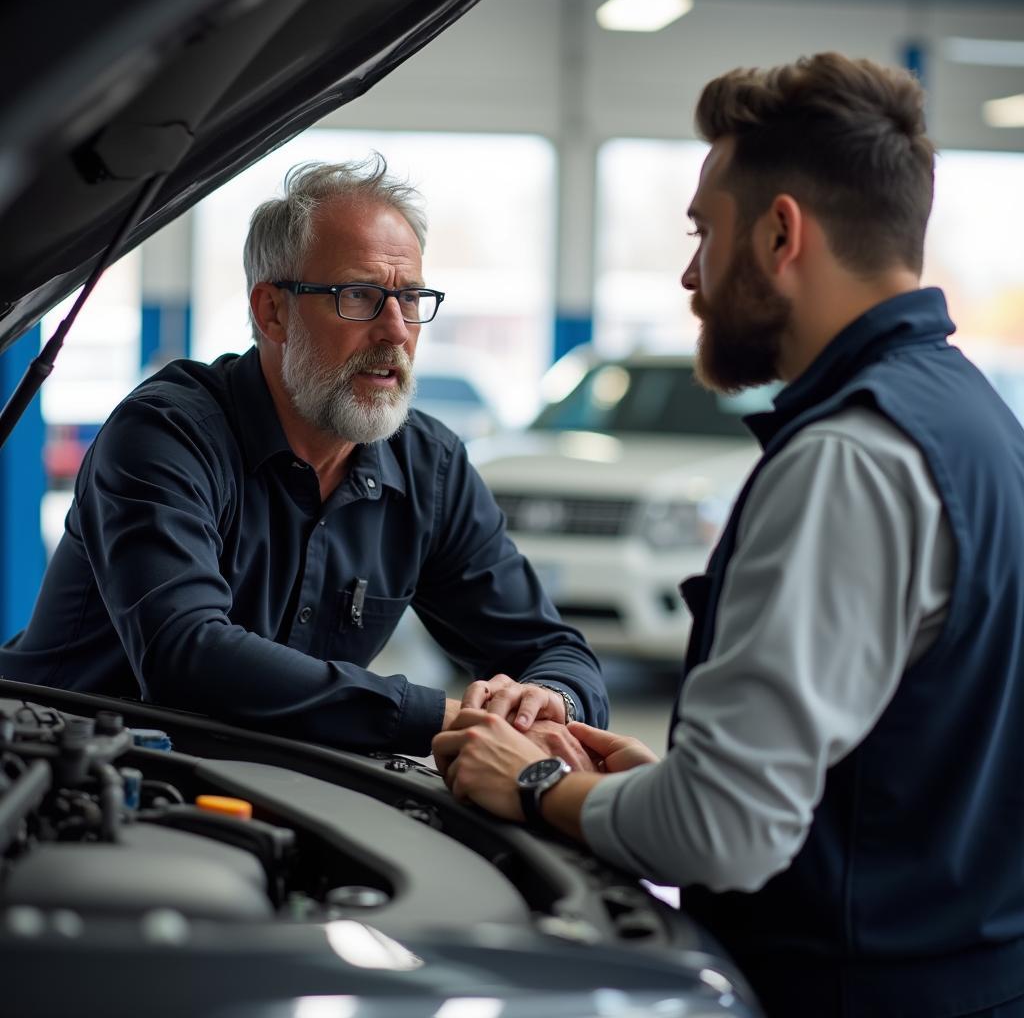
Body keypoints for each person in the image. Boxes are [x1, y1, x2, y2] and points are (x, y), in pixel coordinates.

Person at [432, 52, 1024, 1018]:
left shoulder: (849, 457)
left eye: (706, 231)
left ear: (781, 232)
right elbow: (897, 766)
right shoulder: (973, 423)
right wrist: (663, 787)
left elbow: (723, 832)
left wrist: (536, 782)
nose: (689, 273)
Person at [0, 156, 607, 763]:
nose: (395, 331)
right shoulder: (165, 436)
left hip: (283, 790)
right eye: (359, 296)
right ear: (272, 311)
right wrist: (443, 719)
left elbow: (552, 650)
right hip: (68, 776)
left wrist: (548, 703)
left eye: (411, 299)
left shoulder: (431, 467)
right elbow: (186, 654)